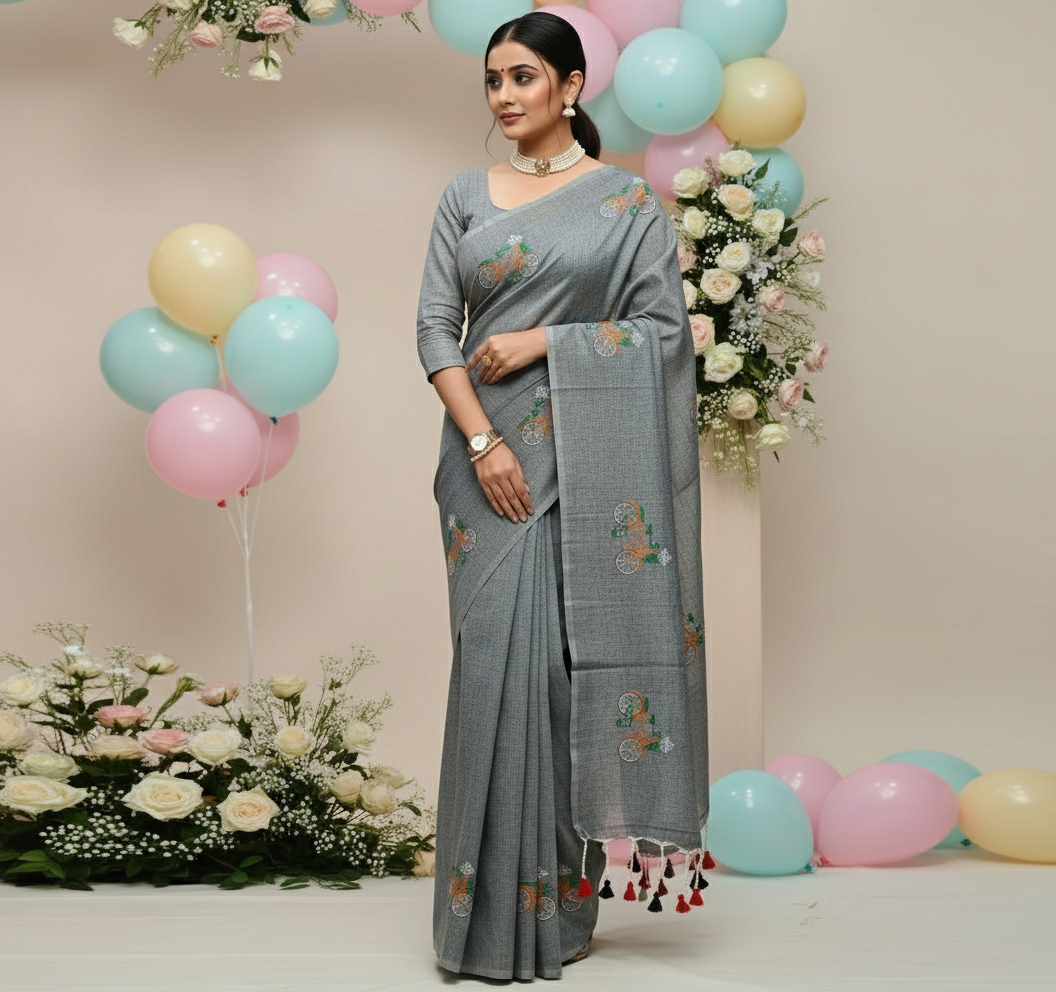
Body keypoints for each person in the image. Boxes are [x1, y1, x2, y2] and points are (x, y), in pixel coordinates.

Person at [416, 12, 709, 981]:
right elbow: (433, 333)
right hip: (482, 467)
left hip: (583, 466)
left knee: (558, 678)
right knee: (492, 669)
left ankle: (559, 910)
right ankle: (477, 921)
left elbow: (664, 333)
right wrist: (484, 438)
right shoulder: (463, 195)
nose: (504, 95)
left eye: (525, 77)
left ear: (572, 87)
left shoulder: (624, 205)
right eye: (493, 79)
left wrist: (548, 342)